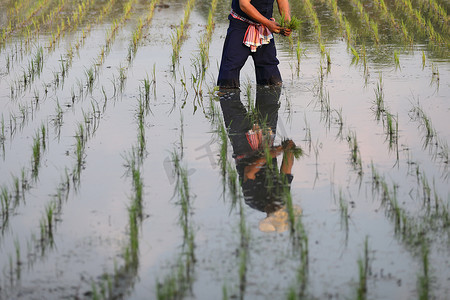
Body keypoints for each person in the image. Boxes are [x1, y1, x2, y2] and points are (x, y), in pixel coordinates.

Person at [219, 85, 302, 232]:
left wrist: (268, 155)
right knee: (269, 100)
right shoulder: (282, 196)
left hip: (244, 150)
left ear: (268, 214)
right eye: (280, 209)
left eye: (276, 211)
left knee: (231, 102)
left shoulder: (253, 200)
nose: (278, 207)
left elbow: (249, 172)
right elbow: (286, 170)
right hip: (266, 145)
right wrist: (289, 151)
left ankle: (227, 88)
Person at [217, 0, 292, 88]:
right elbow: (244, 5)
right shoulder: (266, 23)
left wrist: (287, 21)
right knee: (230, 68)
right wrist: (268, 23)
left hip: (264, 26)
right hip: (241, 25)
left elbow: (282, 2)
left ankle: (270, 100)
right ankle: (227, 96)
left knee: (270, 71)